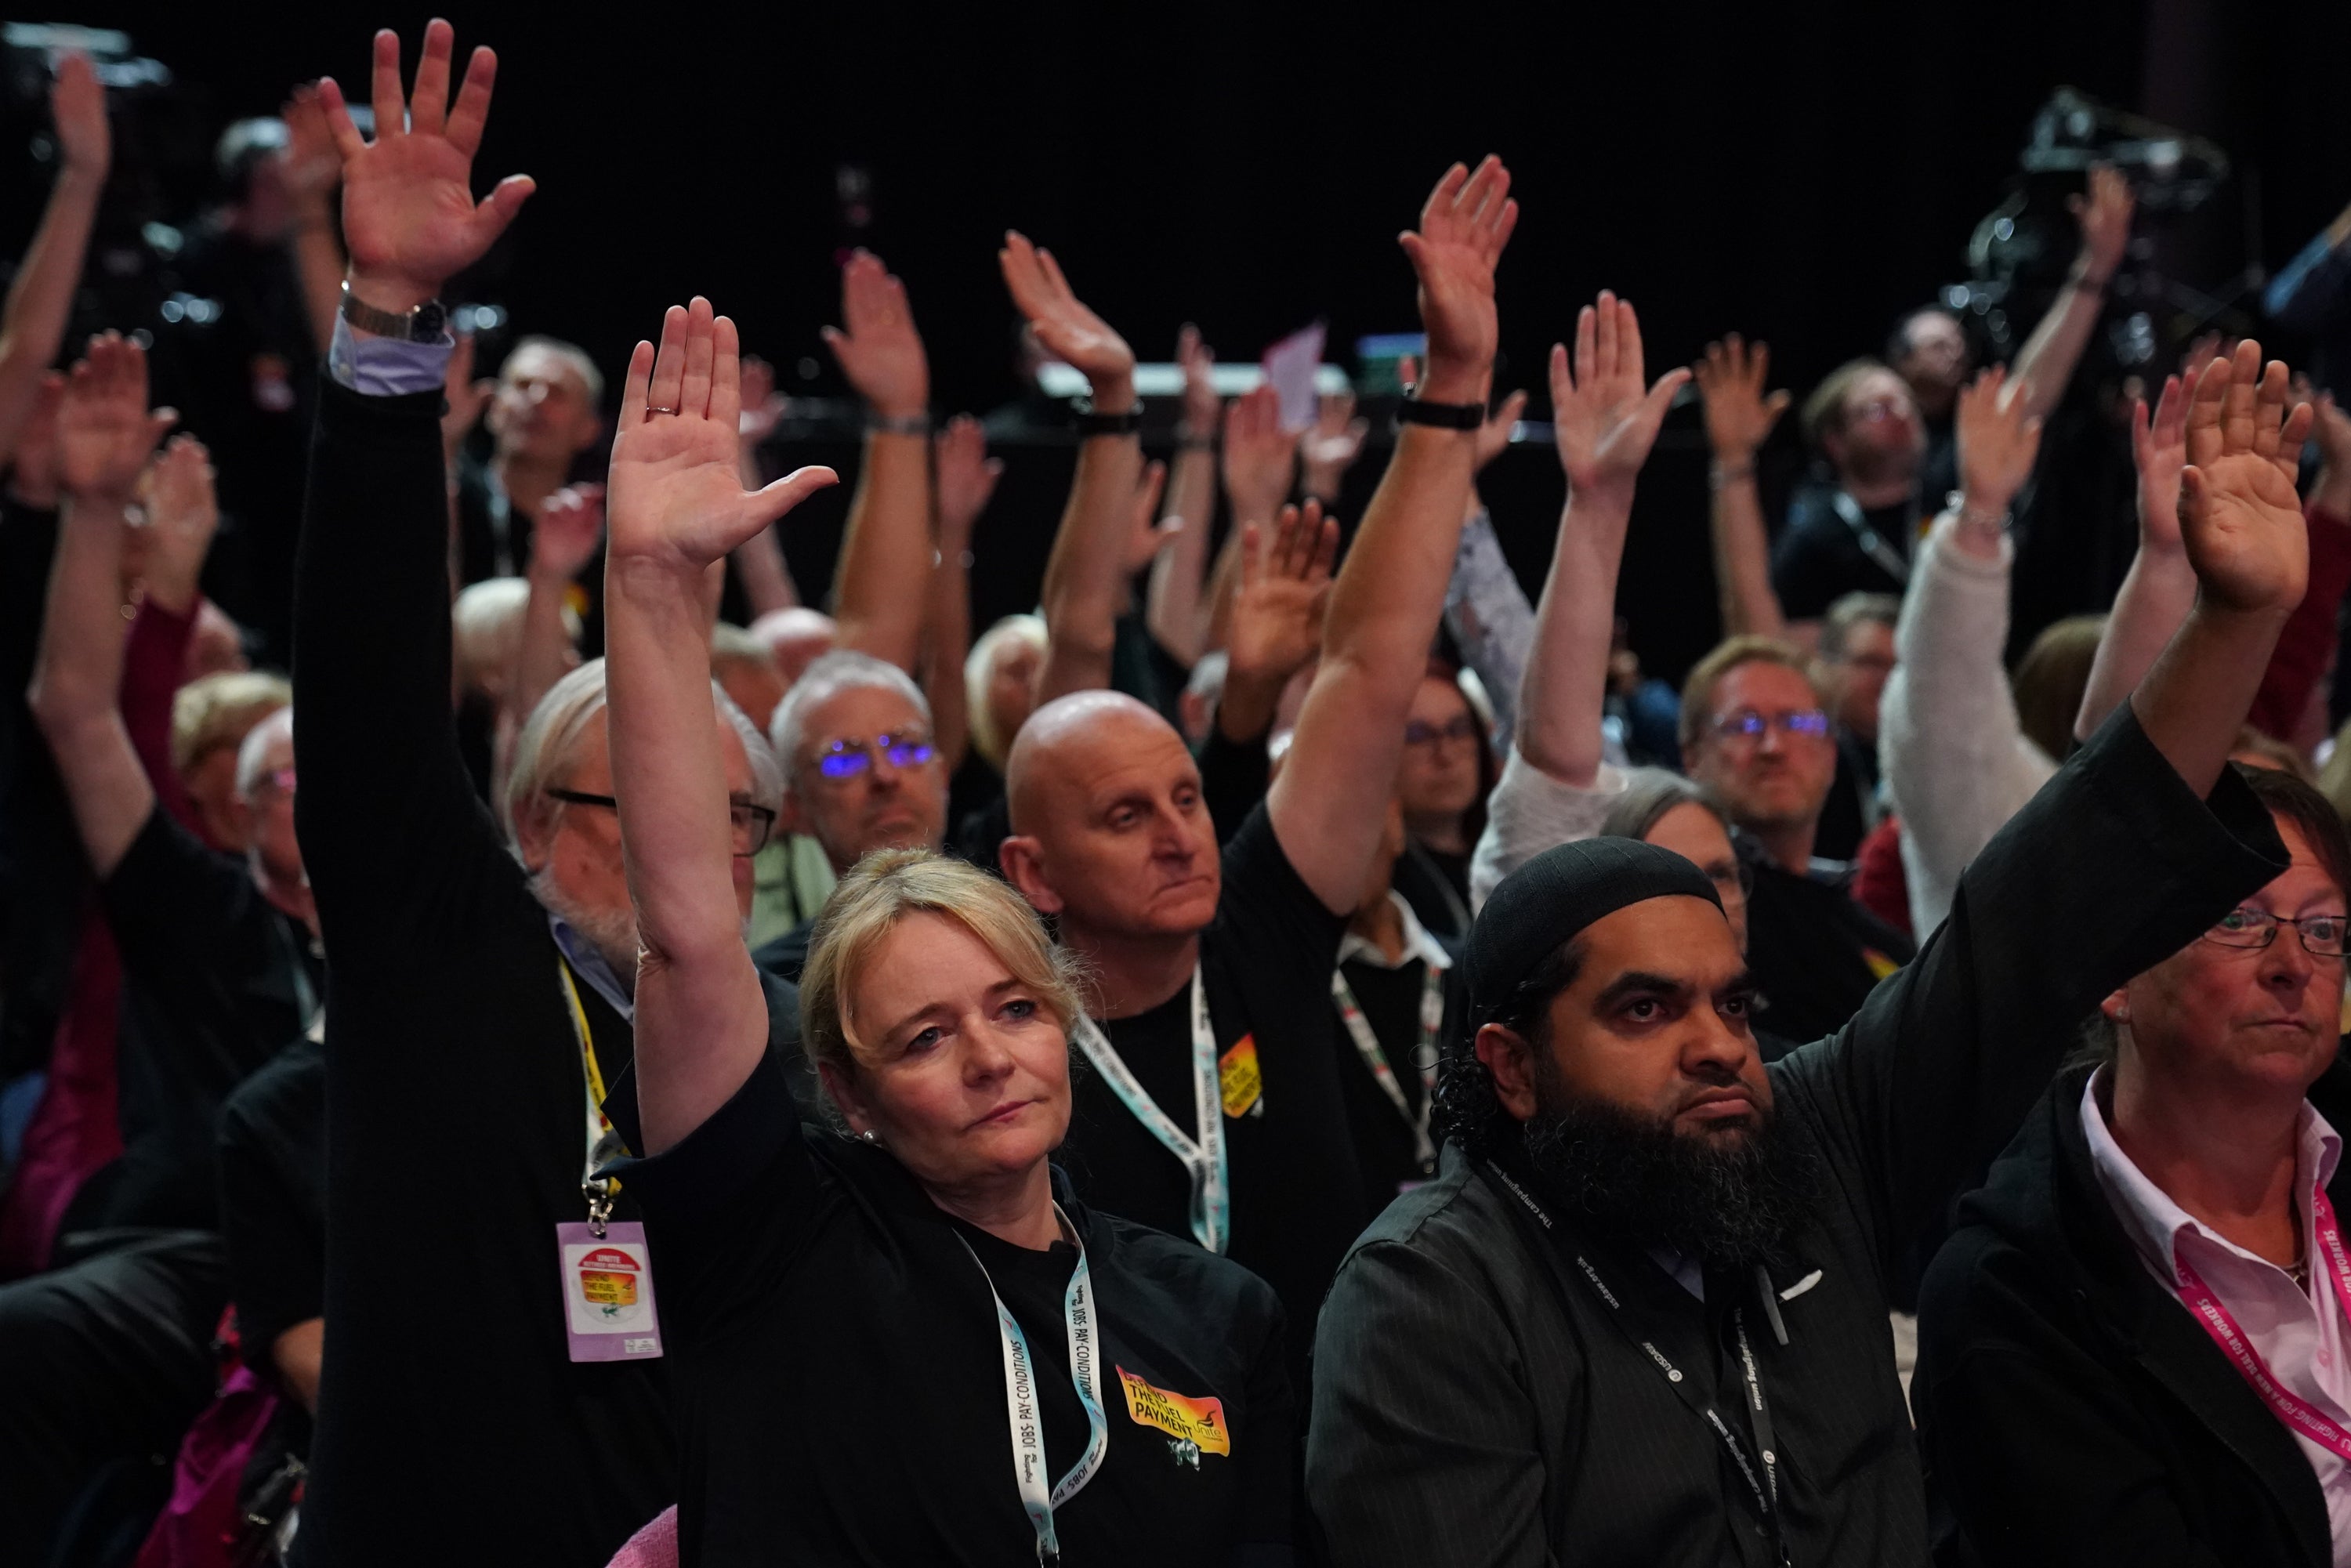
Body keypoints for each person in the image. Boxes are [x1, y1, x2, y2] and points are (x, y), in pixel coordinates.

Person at [1305, 337, 2314, 1568]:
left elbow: (2044, 906)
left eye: (1731, 1003)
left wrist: (2236, 616)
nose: (1720, 1046)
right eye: (1644, 1010)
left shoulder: (1801, 1149)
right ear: (1512, 1066)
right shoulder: (1430, 1294)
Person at [594, 299, 1294, 1562]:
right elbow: (691, 939)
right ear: (850, 1094)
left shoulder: (1206, 1307)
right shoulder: (787, 1248)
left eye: (1017, 1008)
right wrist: (649, 591)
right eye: (924, 1036)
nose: (989, 1057)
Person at [292, 31, 804, 1563]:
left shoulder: (785, 1041)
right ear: (526, 818)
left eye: (733, 817)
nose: (682, 845)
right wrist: (389, 335)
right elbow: (371, 695)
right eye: (631, 793)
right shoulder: (440, 948)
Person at [996, 156, 1518, 1363]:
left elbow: (1370, 665)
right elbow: (1078, 637)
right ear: (1033, 870)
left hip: (1337, 1450)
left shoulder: (1262, 935)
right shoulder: (1002, 1030)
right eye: (1125, 817)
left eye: (1186, 795)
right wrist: (1119, 408)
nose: (1185, 831)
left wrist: (1448, 392)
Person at [2, 334, 320, 1550]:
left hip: (373, 1254)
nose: (312, 789)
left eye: (325, 768)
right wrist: (94, 508)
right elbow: (77, 712)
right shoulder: (205, 909)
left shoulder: (418, 942)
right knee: (22, 1343)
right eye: (280, 776)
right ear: (236, 809)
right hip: (200, 1259)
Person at [1915, 761, 2351, 1566]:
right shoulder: (2011, 1294)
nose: (2294, 964)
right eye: (2239, 919)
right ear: (2115, 973)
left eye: (2322, 928)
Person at [1679, 636, 1918, 1041]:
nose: (1773, 747)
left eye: (1796, 723)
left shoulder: (1873, 933)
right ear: (1693, 757)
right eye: (1745, 724)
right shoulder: (1689, 907)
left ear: (1830, 753)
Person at [753, 650, 949, 980]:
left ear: (942, 775)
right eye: (844, 760)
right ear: (796, 808)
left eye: (906, 748)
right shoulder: (778, 990)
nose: (885, 775)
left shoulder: (1023, 916)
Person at [451, 334, 607, 585]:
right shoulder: (448, 494)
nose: (537, 399)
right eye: (523, 385)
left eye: (557, 393)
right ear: (493, 408)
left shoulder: (596, 545)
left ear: (589, 429)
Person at [1809, 591, 1898, 861]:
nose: (1887, 681)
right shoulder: (1805, 752)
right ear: (1825, 666)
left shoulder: (1926, 758)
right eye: (1870, 663)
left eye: (1899, 668)